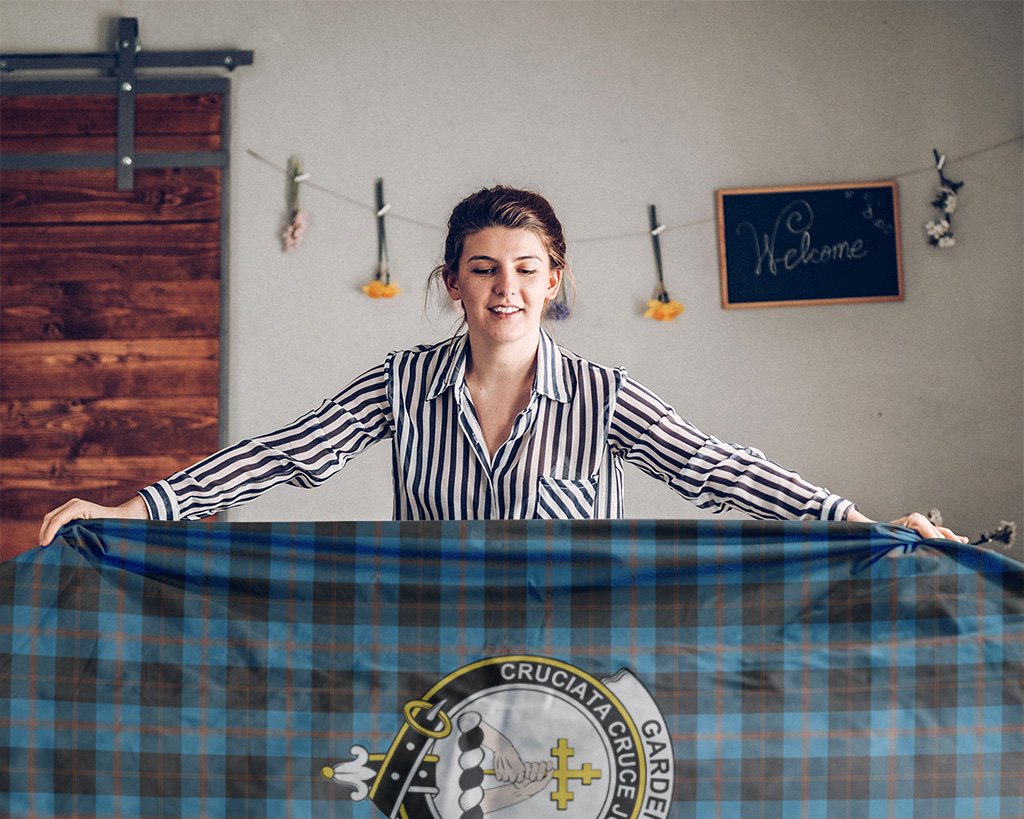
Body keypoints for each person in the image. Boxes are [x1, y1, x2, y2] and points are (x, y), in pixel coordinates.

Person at [38, 185, 967, 546]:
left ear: (555, 280)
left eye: (527, 271)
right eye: (484, 269)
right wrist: (133, 511)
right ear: (453, 283)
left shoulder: (603, 397)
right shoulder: (401, 383)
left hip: (579, 667)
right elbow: (283, 455)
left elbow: (718, 467)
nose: (506, 289)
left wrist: (859, 523)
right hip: (433, 664)